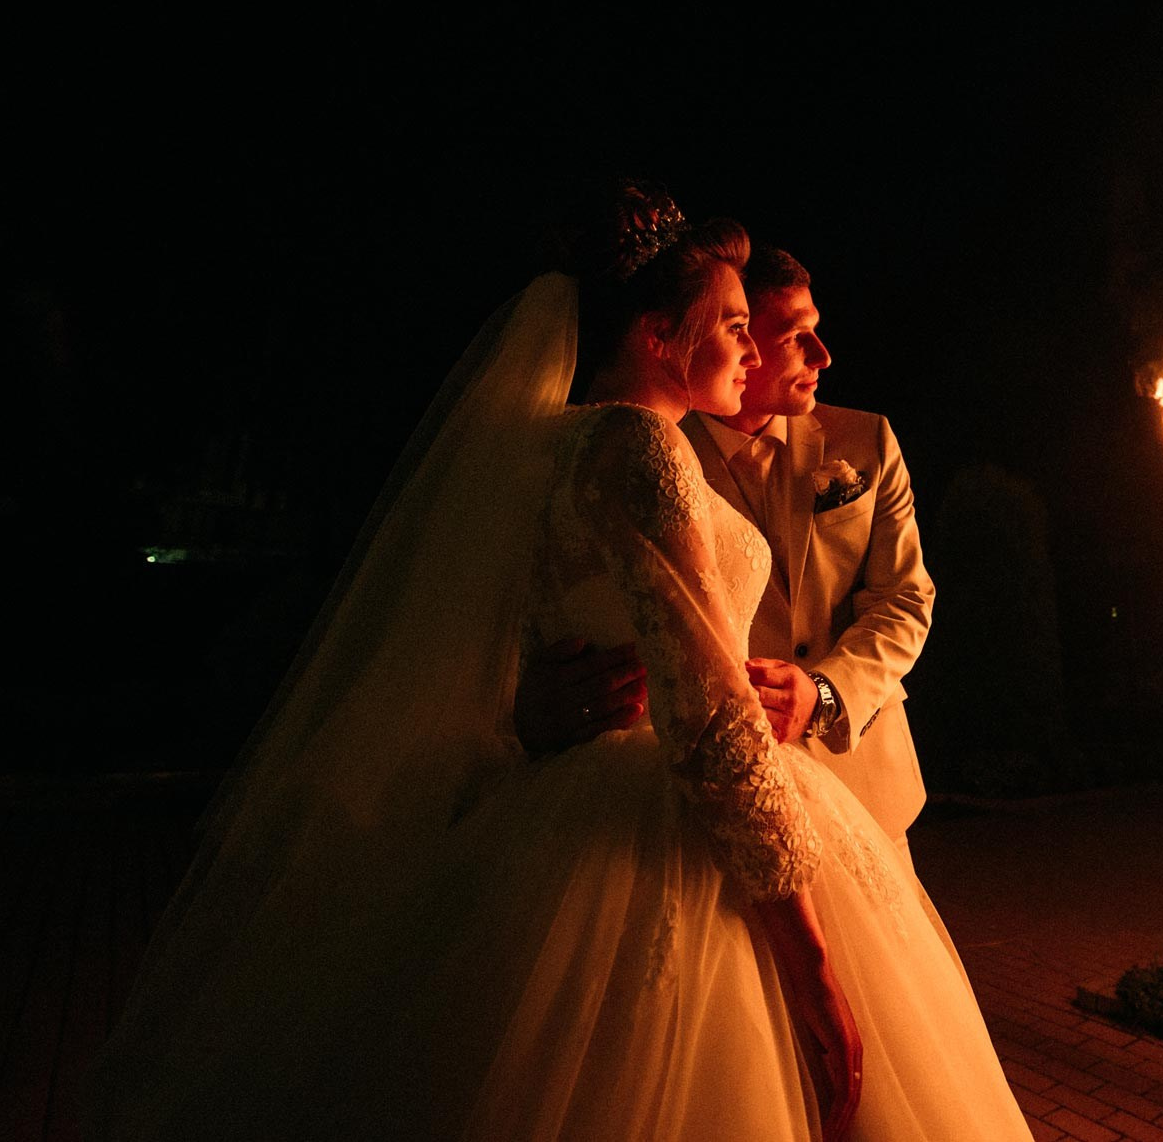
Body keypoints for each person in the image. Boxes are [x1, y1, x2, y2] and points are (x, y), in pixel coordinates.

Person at [86, 184, 1030, 1141]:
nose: (753, 348)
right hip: (683, 821)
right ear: (662, 337)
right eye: (736, 325)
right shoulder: (640, 446)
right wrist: (816, 969)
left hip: (592, 807)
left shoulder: (547, 443)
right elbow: (708, 724)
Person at [520, 246, 934, 862]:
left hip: (863, 787)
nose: (823, 356)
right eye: (794, 338)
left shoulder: (865, 438)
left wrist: (823, 694)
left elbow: (906, 598)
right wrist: (538, 697)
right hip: (705, 799)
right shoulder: (646, 447)